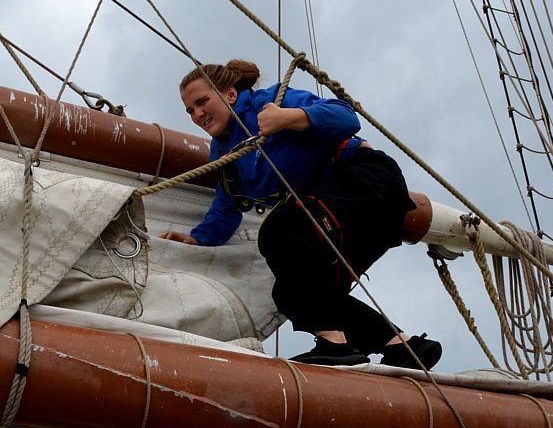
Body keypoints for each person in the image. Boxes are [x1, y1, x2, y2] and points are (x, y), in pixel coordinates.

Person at [159, 59, 442, 368]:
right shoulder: (224, 154)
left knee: (282, 231)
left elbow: (346, 118)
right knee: (290, 293)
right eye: (190, 110)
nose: (197, 114)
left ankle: (335, 346)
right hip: (345, 215)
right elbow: (228, 205)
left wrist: (289, 118)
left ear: (229, 95)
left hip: (367, 181)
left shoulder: (271, 101)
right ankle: (404, 347)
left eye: (202, 102)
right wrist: (199, 240)